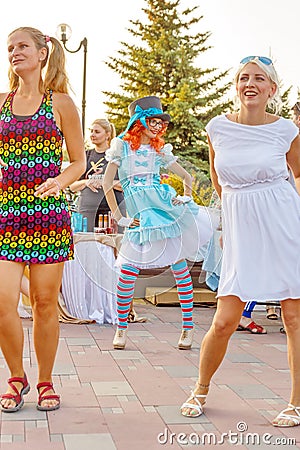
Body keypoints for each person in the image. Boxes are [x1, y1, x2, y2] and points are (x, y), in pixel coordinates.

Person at [180, 56, 300, 427]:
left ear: (271, 89)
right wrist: (235, 213)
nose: (250, 83)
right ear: (236, 86)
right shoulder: (217, 127)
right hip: (241, 226)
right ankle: (200, 388)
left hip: (282, 222)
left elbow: (298, 174)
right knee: (225, 319)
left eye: (259, 78)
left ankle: (296, 403)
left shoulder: (286, 130)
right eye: (243, 77)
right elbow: (218, 179)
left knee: (294, 316)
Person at [0, 27, 85, 413]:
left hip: (47, 215)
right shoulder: (0, 103)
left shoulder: (62, 104)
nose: (14, 52)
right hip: (6, 214)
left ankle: (46, 381)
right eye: (10, 48)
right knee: (3, 302)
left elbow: (79, 161)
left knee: (45, 302)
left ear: (41, 53)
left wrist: (59, 181)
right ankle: (16, 377)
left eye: (21, 46)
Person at [103, 95, 215, 350]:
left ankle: (187, 329)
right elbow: (108, 183)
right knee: (128, 270)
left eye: (159, 122)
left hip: (163, 210)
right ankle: (121, 328)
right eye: (151, 120)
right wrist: (119, 217)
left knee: (179, 267)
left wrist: (185, 198)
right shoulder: (121, 146)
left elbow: (186, 176)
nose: (156, 126)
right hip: (140, 216)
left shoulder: (159, 149)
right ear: (138, 120)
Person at [69, 119, 126, 232]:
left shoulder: (117, 156)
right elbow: (72, 186)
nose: (92, 135)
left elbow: (126, 184)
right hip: (87, 211)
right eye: (91, 131)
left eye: (97, 131)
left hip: (112, 212)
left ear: (107, 135)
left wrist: (106, 182)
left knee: (113, 246)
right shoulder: (84, 156)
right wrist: (86, 182)